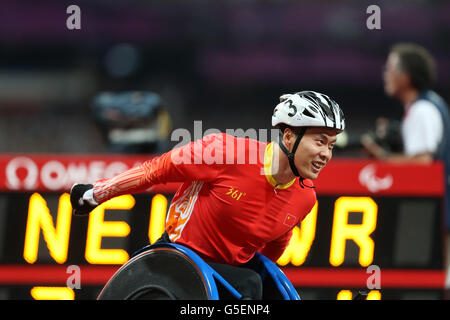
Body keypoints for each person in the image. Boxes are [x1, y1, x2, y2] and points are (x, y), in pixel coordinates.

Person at [70, 90, 345, 299]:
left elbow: (275, 245)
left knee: (262, 284)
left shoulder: (305, 198)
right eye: (319, 141)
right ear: (288, 137)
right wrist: (96, 194)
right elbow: (157, 170)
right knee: (251, 284)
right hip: (179, 261)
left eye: (331, 145)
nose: (326, 154)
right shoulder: (224, 152)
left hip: (233, 274)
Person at [361, 43, 450, 229]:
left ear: (405, 77)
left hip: (439, 217)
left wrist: (382, 157)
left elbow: (423, 163)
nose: (385, 75)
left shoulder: (422, 110)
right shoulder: (427, 104)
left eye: (390, 69)